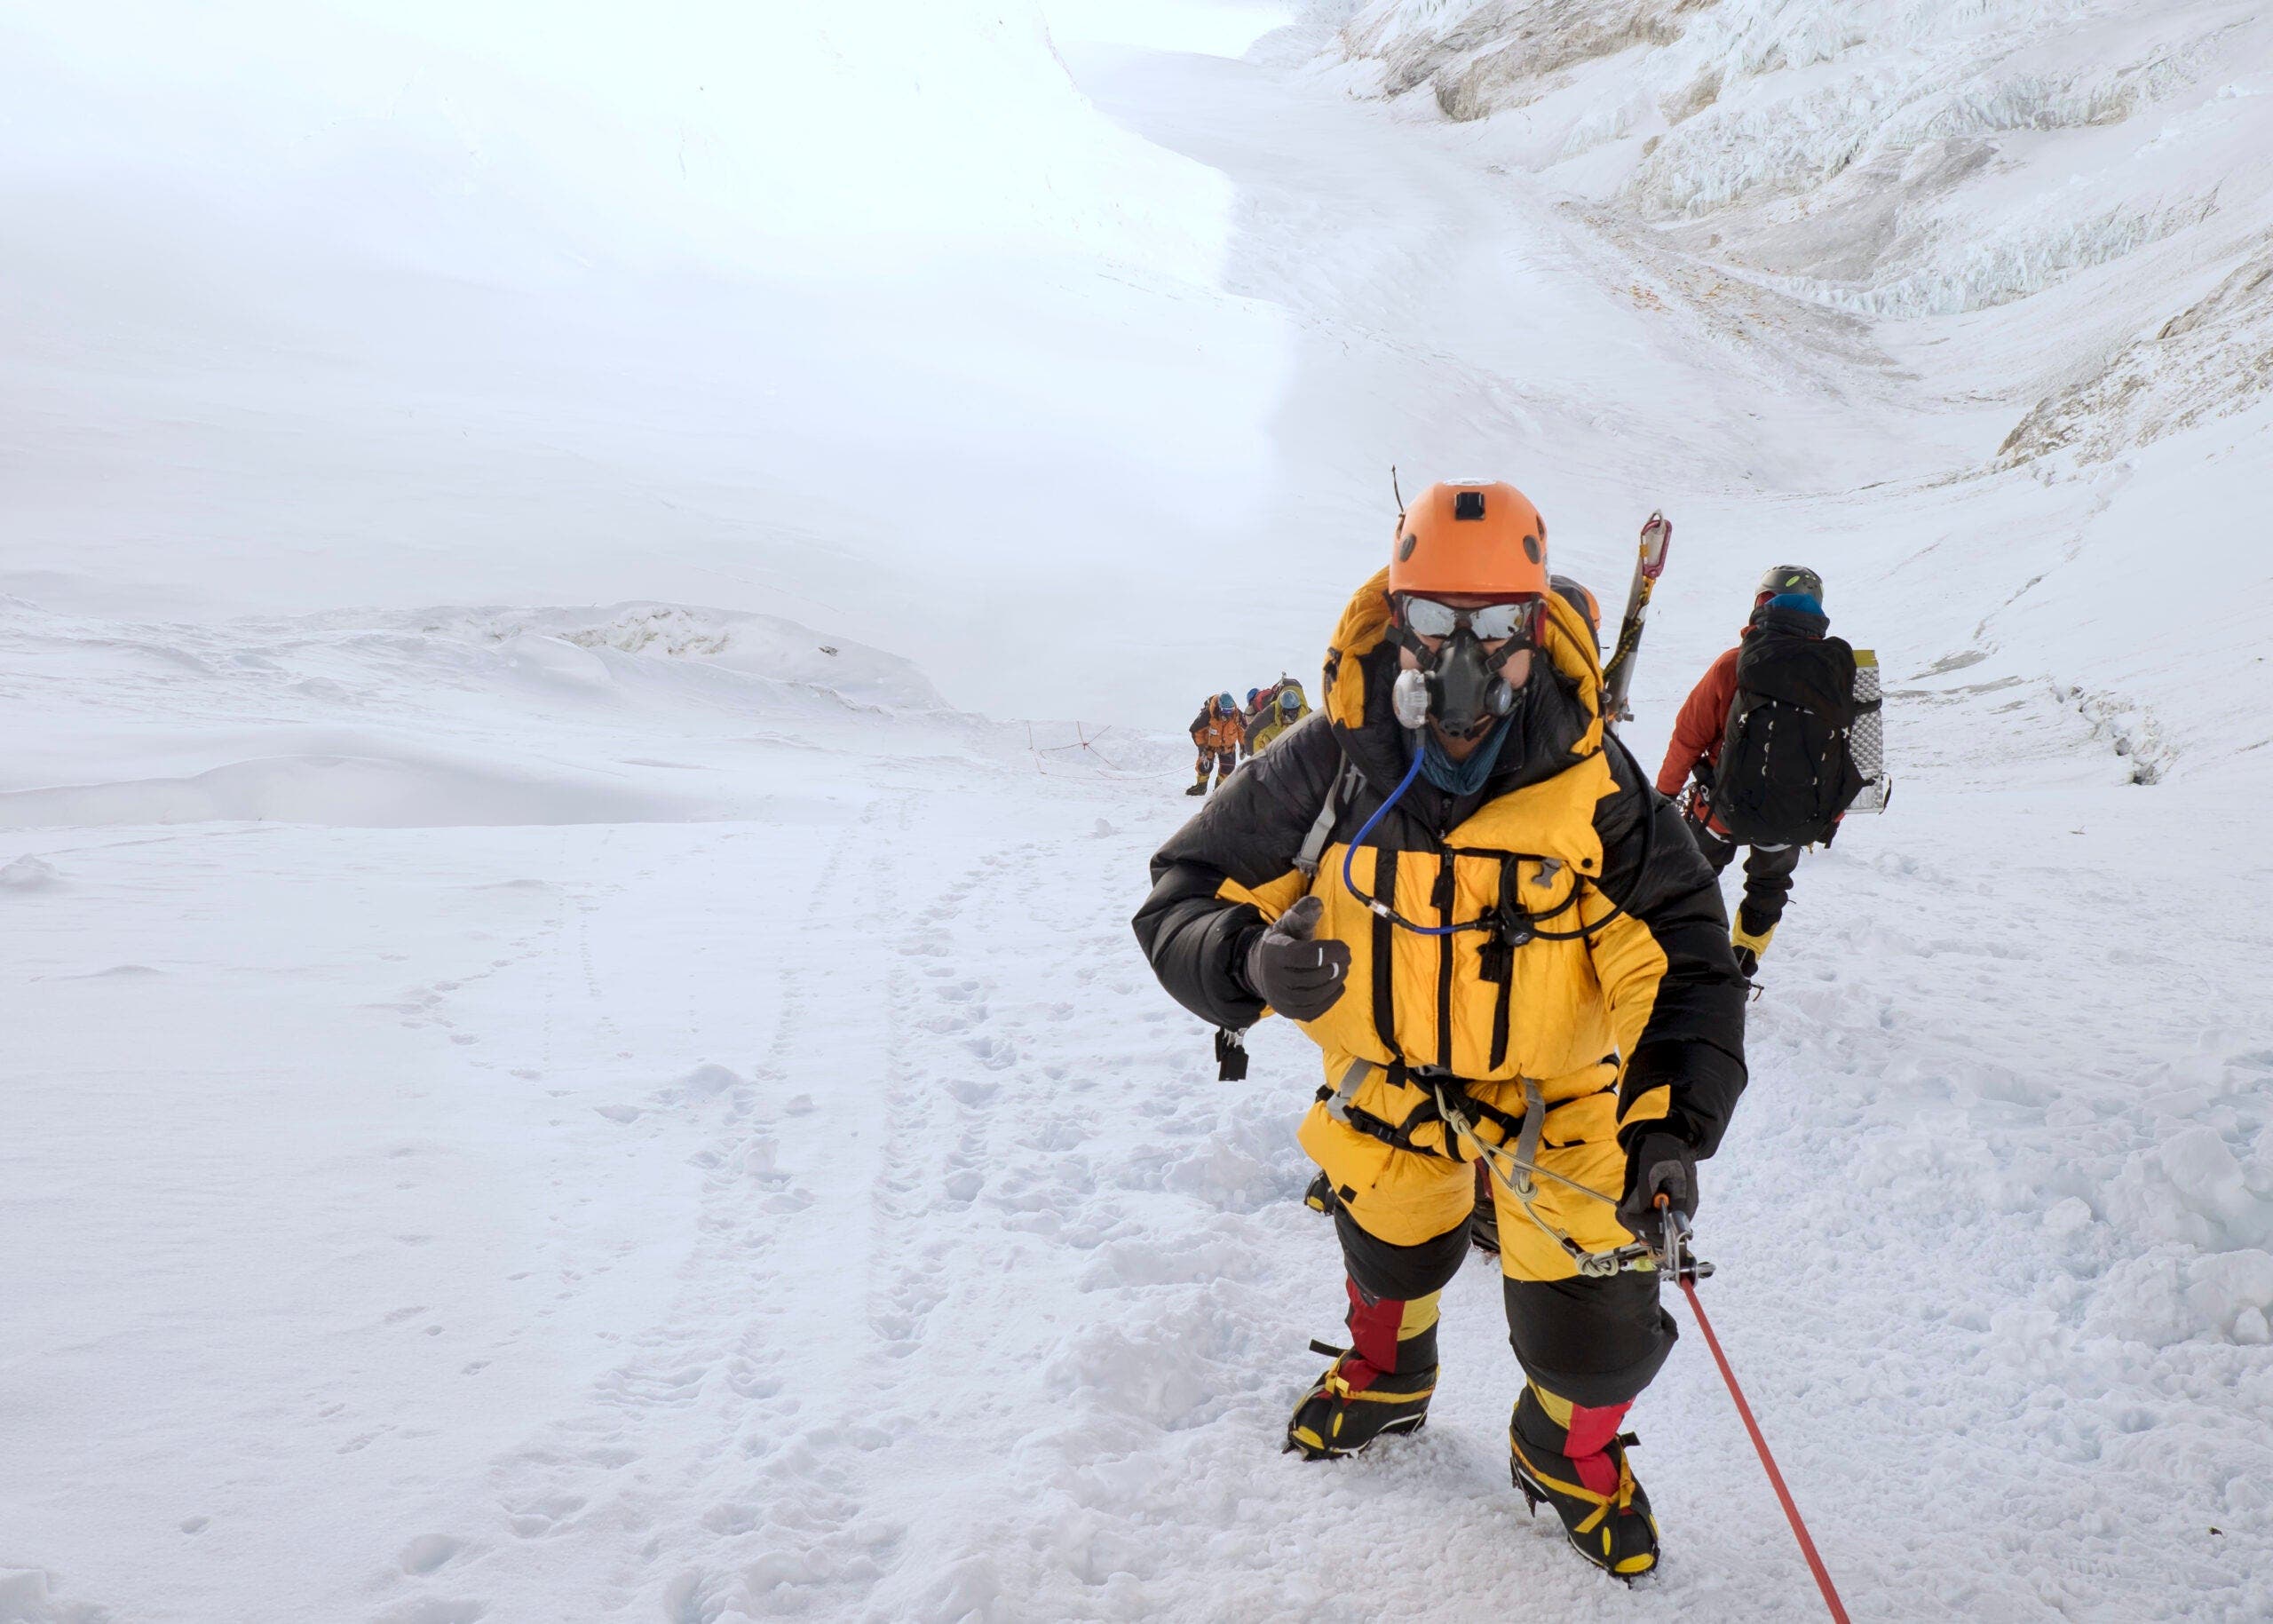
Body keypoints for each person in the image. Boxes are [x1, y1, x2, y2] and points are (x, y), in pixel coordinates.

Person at [1134, 480, 1747, 1578]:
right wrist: (1242, 956)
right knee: (1387, 1246)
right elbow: (1182, 885)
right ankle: (1390, 1375)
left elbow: (1689, 949)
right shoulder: (1329, 763)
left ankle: (1566, 1451)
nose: (1461, 658)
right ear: (1395, 614)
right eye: (1432, 623)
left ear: (1537, 629)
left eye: (1496, 629)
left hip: (1561, 1112)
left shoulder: (1590, 785)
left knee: (1598, 1328)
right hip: (1391, 1091)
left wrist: (1668, 1121)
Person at [1655, 566, 1848, 977]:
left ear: (1761, 605)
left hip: (1720, 813)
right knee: (1768, 886)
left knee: (1694, 877)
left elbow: (1688, 738)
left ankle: (1685, 955)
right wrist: (1827, 815)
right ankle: (1743, 958)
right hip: (1792, 819)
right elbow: (1854, 757)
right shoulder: (1836, 672)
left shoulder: (1733, 664)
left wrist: (1664, 796)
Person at [1186, 693, 1246, 796]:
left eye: (1230, 711)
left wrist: (1243, 745)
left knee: (1228, 768)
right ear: (1220, 708)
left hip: (1228, 745)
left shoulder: (1237, 715)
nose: (1228, 714)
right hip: (1209, 743)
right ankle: (1201, 787)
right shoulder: (1208, 714)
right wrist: (1201, 747)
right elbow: (1196, 731)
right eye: (1226, 711)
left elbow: (1242, 731)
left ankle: (1219, 791)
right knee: (1204, 765)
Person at [1245, 678, 1311, 755]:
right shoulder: (1271, 710)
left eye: (1294, 712)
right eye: (1289, 712)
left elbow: (1251, 730)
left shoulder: (1303, 711)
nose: (1292, 715)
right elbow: (1252, 731)